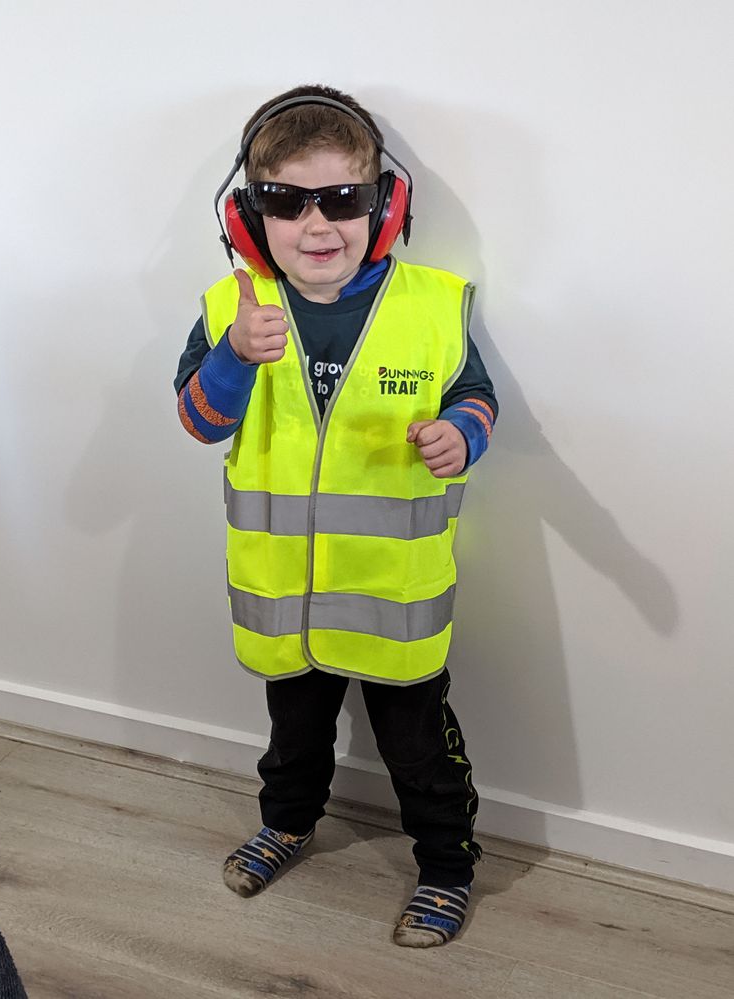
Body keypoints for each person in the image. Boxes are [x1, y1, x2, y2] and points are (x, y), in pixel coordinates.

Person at [175, 84, 498, 948]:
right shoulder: (230, 308)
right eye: (284, 201)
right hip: (284, 592)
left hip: (394, 595)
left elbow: (474, 395)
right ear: (249, 217)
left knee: (418, 750)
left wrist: (460, 435)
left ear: (383, 205)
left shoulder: (431, 305)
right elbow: (200, 421)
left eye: (342, 199)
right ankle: (287, 823)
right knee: (293, 735)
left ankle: (446, 866)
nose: (315, 224)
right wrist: (234, 356)